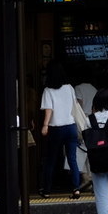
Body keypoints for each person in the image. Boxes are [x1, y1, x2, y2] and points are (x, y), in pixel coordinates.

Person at [38, 62, 82, 198]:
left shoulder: (48, 91)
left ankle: (46, 190)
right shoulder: (69, 88)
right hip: (71, 127)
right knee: (72, 159)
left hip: (56, 128)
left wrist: (45, 125)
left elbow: (49, 110)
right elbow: (75, 106)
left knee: (50, 159)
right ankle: (76, 188)